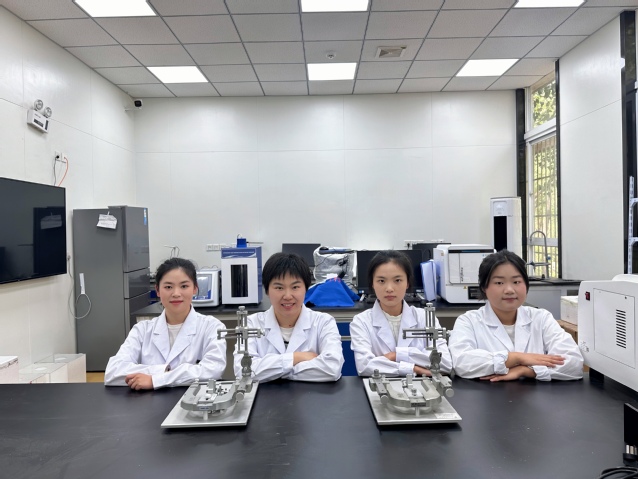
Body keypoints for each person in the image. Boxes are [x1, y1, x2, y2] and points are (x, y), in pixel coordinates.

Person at [448, 250, 584, 381]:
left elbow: (573, 362)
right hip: (488, 395)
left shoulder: (541, 318)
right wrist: (516, 358)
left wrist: (526, 371)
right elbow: (461, 362)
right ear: (484, 287)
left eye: (516, 282)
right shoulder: (469, 321)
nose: (509, 290)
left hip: (537, 395)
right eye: (499, 283)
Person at [105, 258, 226, 389]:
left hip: (193, 399)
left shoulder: (212, 327)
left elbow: (213, 370)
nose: (176, 294)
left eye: (184, 286)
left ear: (195, 289)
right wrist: (163, 371)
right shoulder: (142, 330)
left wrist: (155, 380)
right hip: (148, 400)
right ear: (157, 290)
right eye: (168, 287)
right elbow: (113, 371)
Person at [233, 252, 344, 382]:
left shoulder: (324, 322)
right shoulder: (251, 324)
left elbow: (332, 368)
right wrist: (296, 358)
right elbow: (243, 372)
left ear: (306, 289)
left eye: (295, 287)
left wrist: (273, 371)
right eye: (279, 288)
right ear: (267, 290)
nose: (287, 296)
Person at [350, 250, 452, 377]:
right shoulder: (361, 322)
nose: (389, 288)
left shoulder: (425, 317)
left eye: (397, 280)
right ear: (372, 283)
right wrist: (413, 368)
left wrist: (396, 355)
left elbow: (445, 363)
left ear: (407, 282)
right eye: (381, 281)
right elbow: (365, 366)